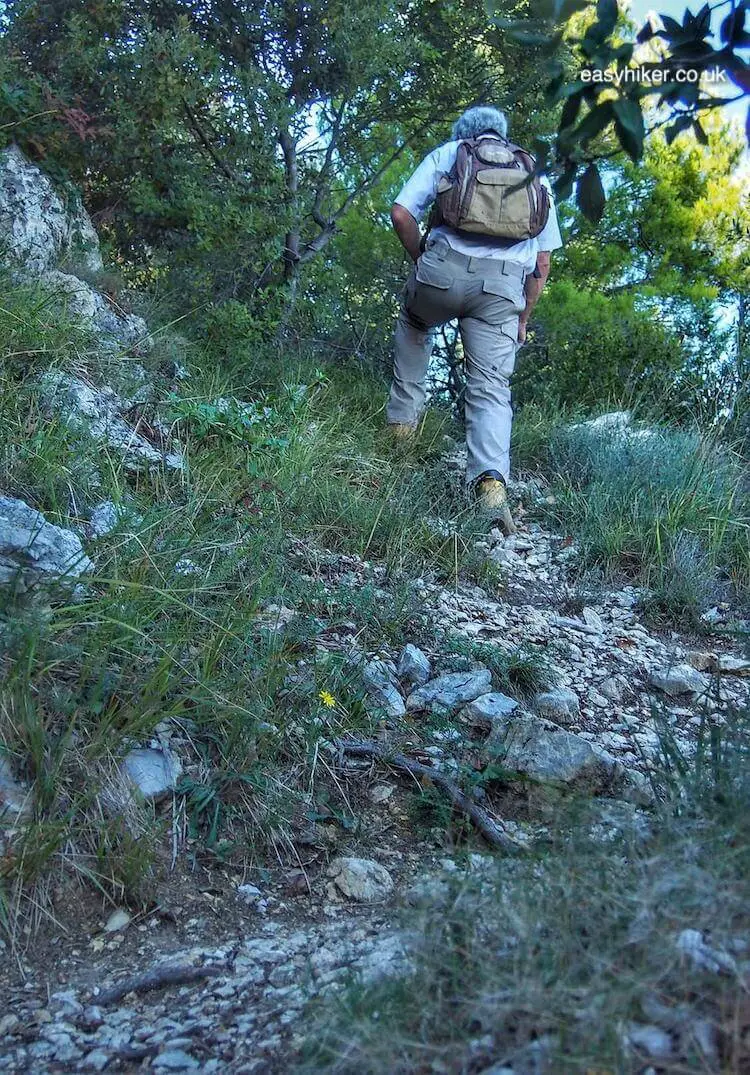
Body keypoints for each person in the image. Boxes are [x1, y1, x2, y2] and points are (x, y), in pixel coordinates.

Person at [386, 105, 563, 534]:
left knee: (415, 323)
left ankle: (401, 437)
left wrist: (422, 261)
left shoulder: (450, 154)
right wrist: (523, 316)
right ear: (503, 135)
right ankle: (490, 487)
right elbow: (542, 258)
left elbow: (401, 213)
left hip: (441, 272)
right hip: (502, 289)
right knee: (490, 386)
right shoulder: (532, 172)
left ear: (463, 132)